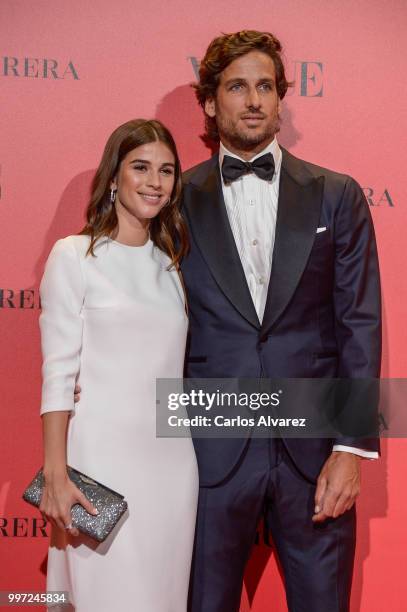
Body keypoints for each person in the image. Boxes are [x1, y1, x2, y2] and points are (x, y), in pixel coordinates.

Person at [179, 30, 381, 612]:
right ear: (212, 102)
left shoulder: (336, 195)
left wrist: (352, 448)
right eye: (237, 86)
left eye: (265, 86)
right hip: (206, 450)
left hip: (314, 451)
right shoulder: (174, 199)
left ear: (280, 98)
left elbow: (359, 324)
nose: (253, 100)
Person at [39, 119, 198, 612]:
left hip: (172, 466)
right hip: (100, 461)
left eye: (167, 171)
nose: (155, 182)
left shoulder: (171, 267)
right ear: (114, 177)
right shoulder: (75, 256)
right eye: (141, 167)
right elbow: (58, 375)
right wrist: (55, 474)